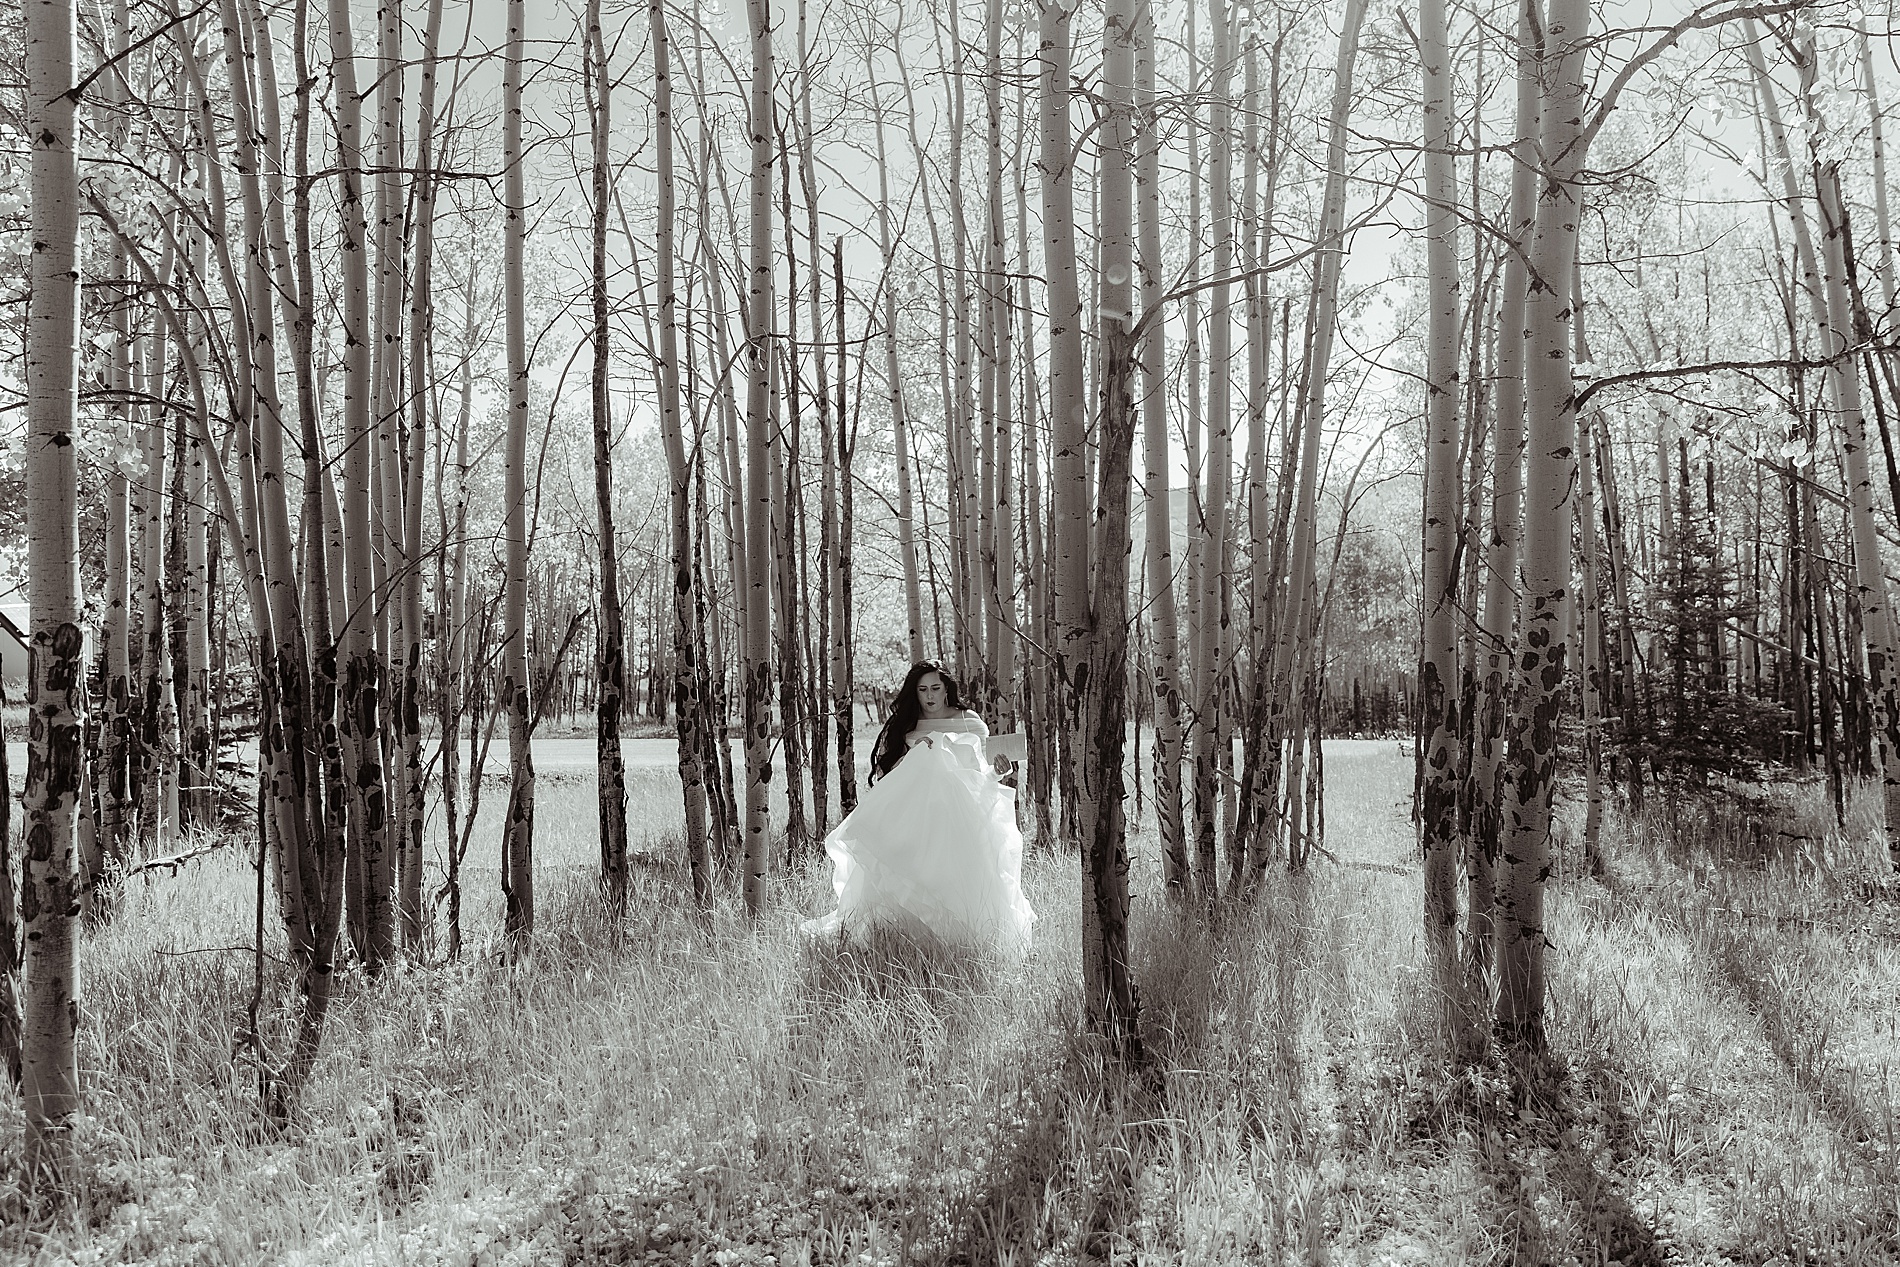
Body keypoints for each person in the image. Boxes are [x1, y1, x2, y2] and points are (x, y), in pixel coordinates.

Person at [801, 660, 1036, 955]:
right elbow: (893, 777)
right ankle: (908, 948)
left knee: (959, 886)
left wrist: (1000, 771)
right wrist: (917, 754)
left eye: (936, 688)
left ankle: (963, 951)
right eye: (922, 689)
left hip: (960, 821)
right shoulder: (907, 725)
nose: (929, 696)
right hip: (915, 822)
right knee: (910, 884)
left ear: (947, 689)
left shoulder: (970, 721)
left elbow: (982, 775)